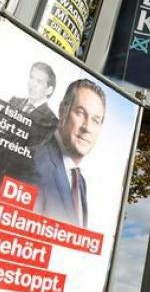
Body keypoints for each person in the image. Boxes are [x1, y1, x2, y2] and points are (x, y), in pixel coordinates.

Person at [0, 62, 58, 213]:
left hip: (16, 188)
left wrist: (5, 137)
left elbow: (32, 151)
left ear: (49, 90)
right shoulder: (14, 101)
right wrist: (10, 140)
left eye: (39, 81)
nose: (32, 85)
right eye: (31, 78)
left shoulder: (51, 121)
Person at [29, 79, 106, 227]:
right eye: (80, 113)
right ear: (63, 110)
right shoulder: (32, 161)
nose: (87, 127)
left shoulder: (79, 180)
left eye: (96, 121)